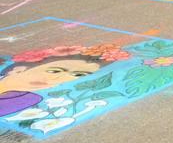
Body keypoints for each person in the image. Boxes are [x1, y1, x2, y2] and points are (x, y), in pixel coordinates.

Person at [0, 44, 131, 117]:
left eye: (78, 75)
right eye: (54, 70)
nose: (58, 78)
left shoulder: (29, 100)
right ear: (18, 69)